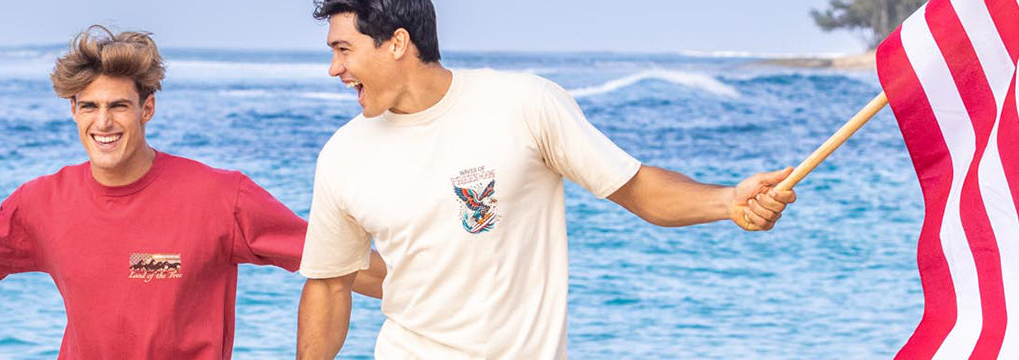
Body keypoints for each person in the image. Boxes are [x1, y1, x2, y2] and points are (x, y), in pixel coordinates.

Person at [291, 1, 799, 358]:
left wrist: (728, 200)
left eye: (344, 49)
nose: (334, 68)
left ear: (397, 43)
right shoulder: (343, 155)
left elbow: (636, 187)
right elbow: (329, 286)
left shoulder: (523, 105)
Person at [0, 25, 323, 359]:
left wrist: (387, 295)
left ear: (147, 108)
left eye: (119, 106)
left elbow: (334, 259)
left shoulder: (222, 197)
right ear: (73, 110)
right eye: (89, 106)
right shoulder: (41, 202)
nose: (103, 122)